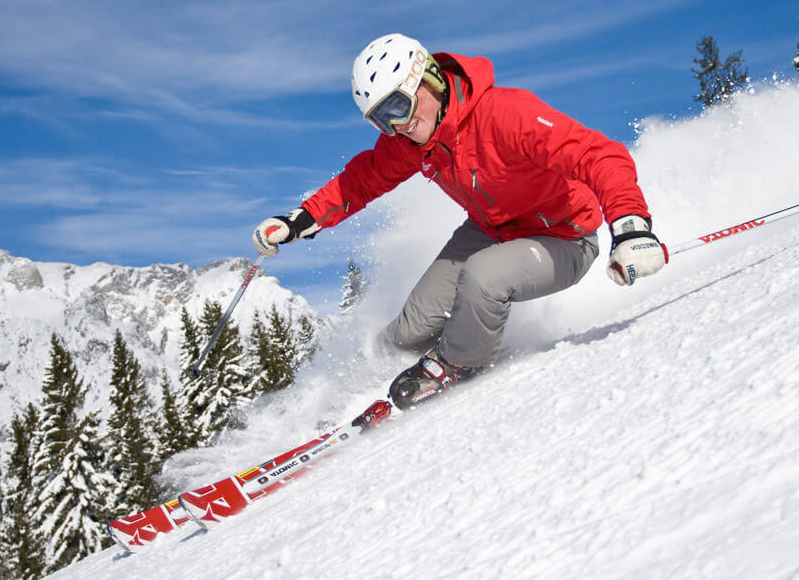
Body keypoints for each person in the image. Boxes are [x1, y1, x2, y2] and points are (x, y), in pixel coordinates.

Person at [253, 34, 667, 412]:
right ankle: (379, 379)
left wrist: (631, 227)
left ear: (429, 78)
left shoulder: (504, 114)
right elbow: (362, 180)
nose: (397, 126)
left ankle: (458, 364)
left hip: (564, 237)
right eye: (381, 119)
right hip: (491, 231)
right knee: (407, 331)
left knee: (483, 277)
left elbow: (596, 154)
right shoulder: (413, 141)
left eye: (397, 107)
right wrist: (300, 220)